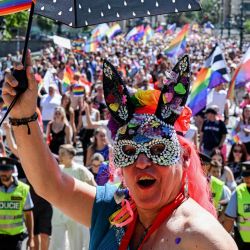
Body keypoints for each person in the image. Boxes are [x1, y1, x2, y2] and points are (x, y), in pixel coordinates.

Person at [2, 52, 237, 249]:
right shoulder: (112, 209)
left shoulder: (202, 238)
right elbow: (50, 184)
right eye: (129, 150)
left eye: (157, 149)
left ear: (184, 159)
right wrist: (24, 116)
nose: (143, 162)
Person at [50, 144, 95, 250]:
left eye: (62, 154)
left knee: (76, 246)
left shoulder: (81, 170)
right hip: (58, 214)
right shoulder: (57, 170)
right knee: (57, 246)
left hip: (75, 214)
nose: (59, 156)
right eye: (59, 153)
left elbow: (94, 188)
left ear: (71, 155)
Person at [0, 157, 34, 250]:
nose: (2, 173)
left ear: (12, 170)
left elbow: (28, 214)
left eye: (6, 170)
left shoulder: (23, 189)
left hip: (15, 238)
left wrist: (31, 237)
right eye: (1, 170)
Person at [224, 161, 250, 249]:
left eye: (249, 176)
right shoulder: (238, 193)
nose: (247, 179)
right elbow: (229, 220)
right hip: (243, 243)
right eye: (245, 176)